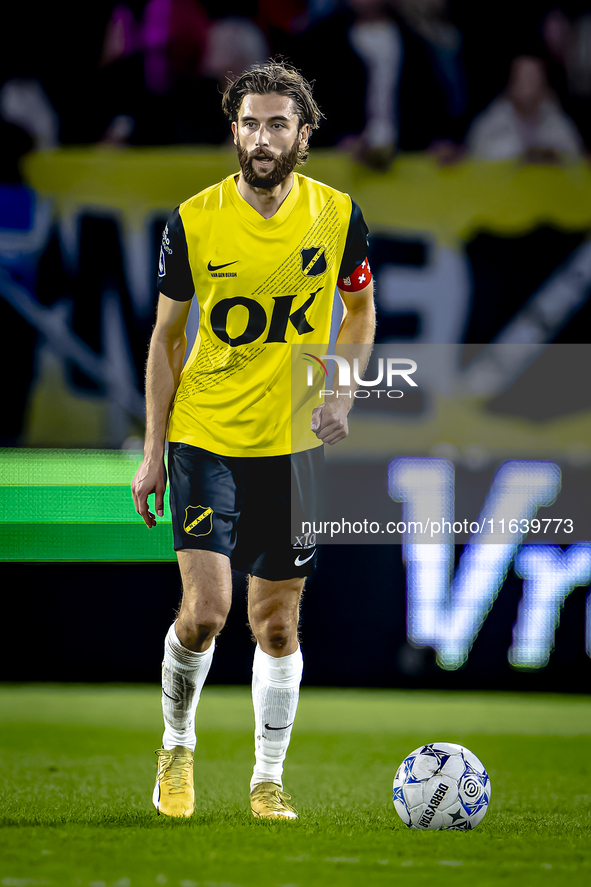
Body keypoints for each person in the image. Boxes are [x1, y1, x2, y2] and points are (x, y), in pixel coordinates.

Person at [131, 59, 375, 820]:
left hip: (294, 447)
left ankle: (267, 779)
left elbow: (360, 314)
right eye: (249, 123)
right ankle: (177, 747)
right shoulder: (194, 218)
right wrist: (151, 450)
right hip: (205, 436)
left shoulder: (337, 215)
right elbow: (167, 339)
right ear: (232, 131)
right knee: (205, 609)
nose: (261, 137)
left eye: (277, 124)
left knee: (275, 623)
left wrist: (343, 387)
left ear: (303, 135)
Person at [466, 54, 584, 163]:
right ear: (510, 84)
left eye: (533, 78)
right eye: (522, 78)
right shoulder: (489, 125)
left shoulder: (559, 124)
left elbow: (576, 161)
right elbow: (473, 162)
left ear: (544, 85)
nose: (528, 85)